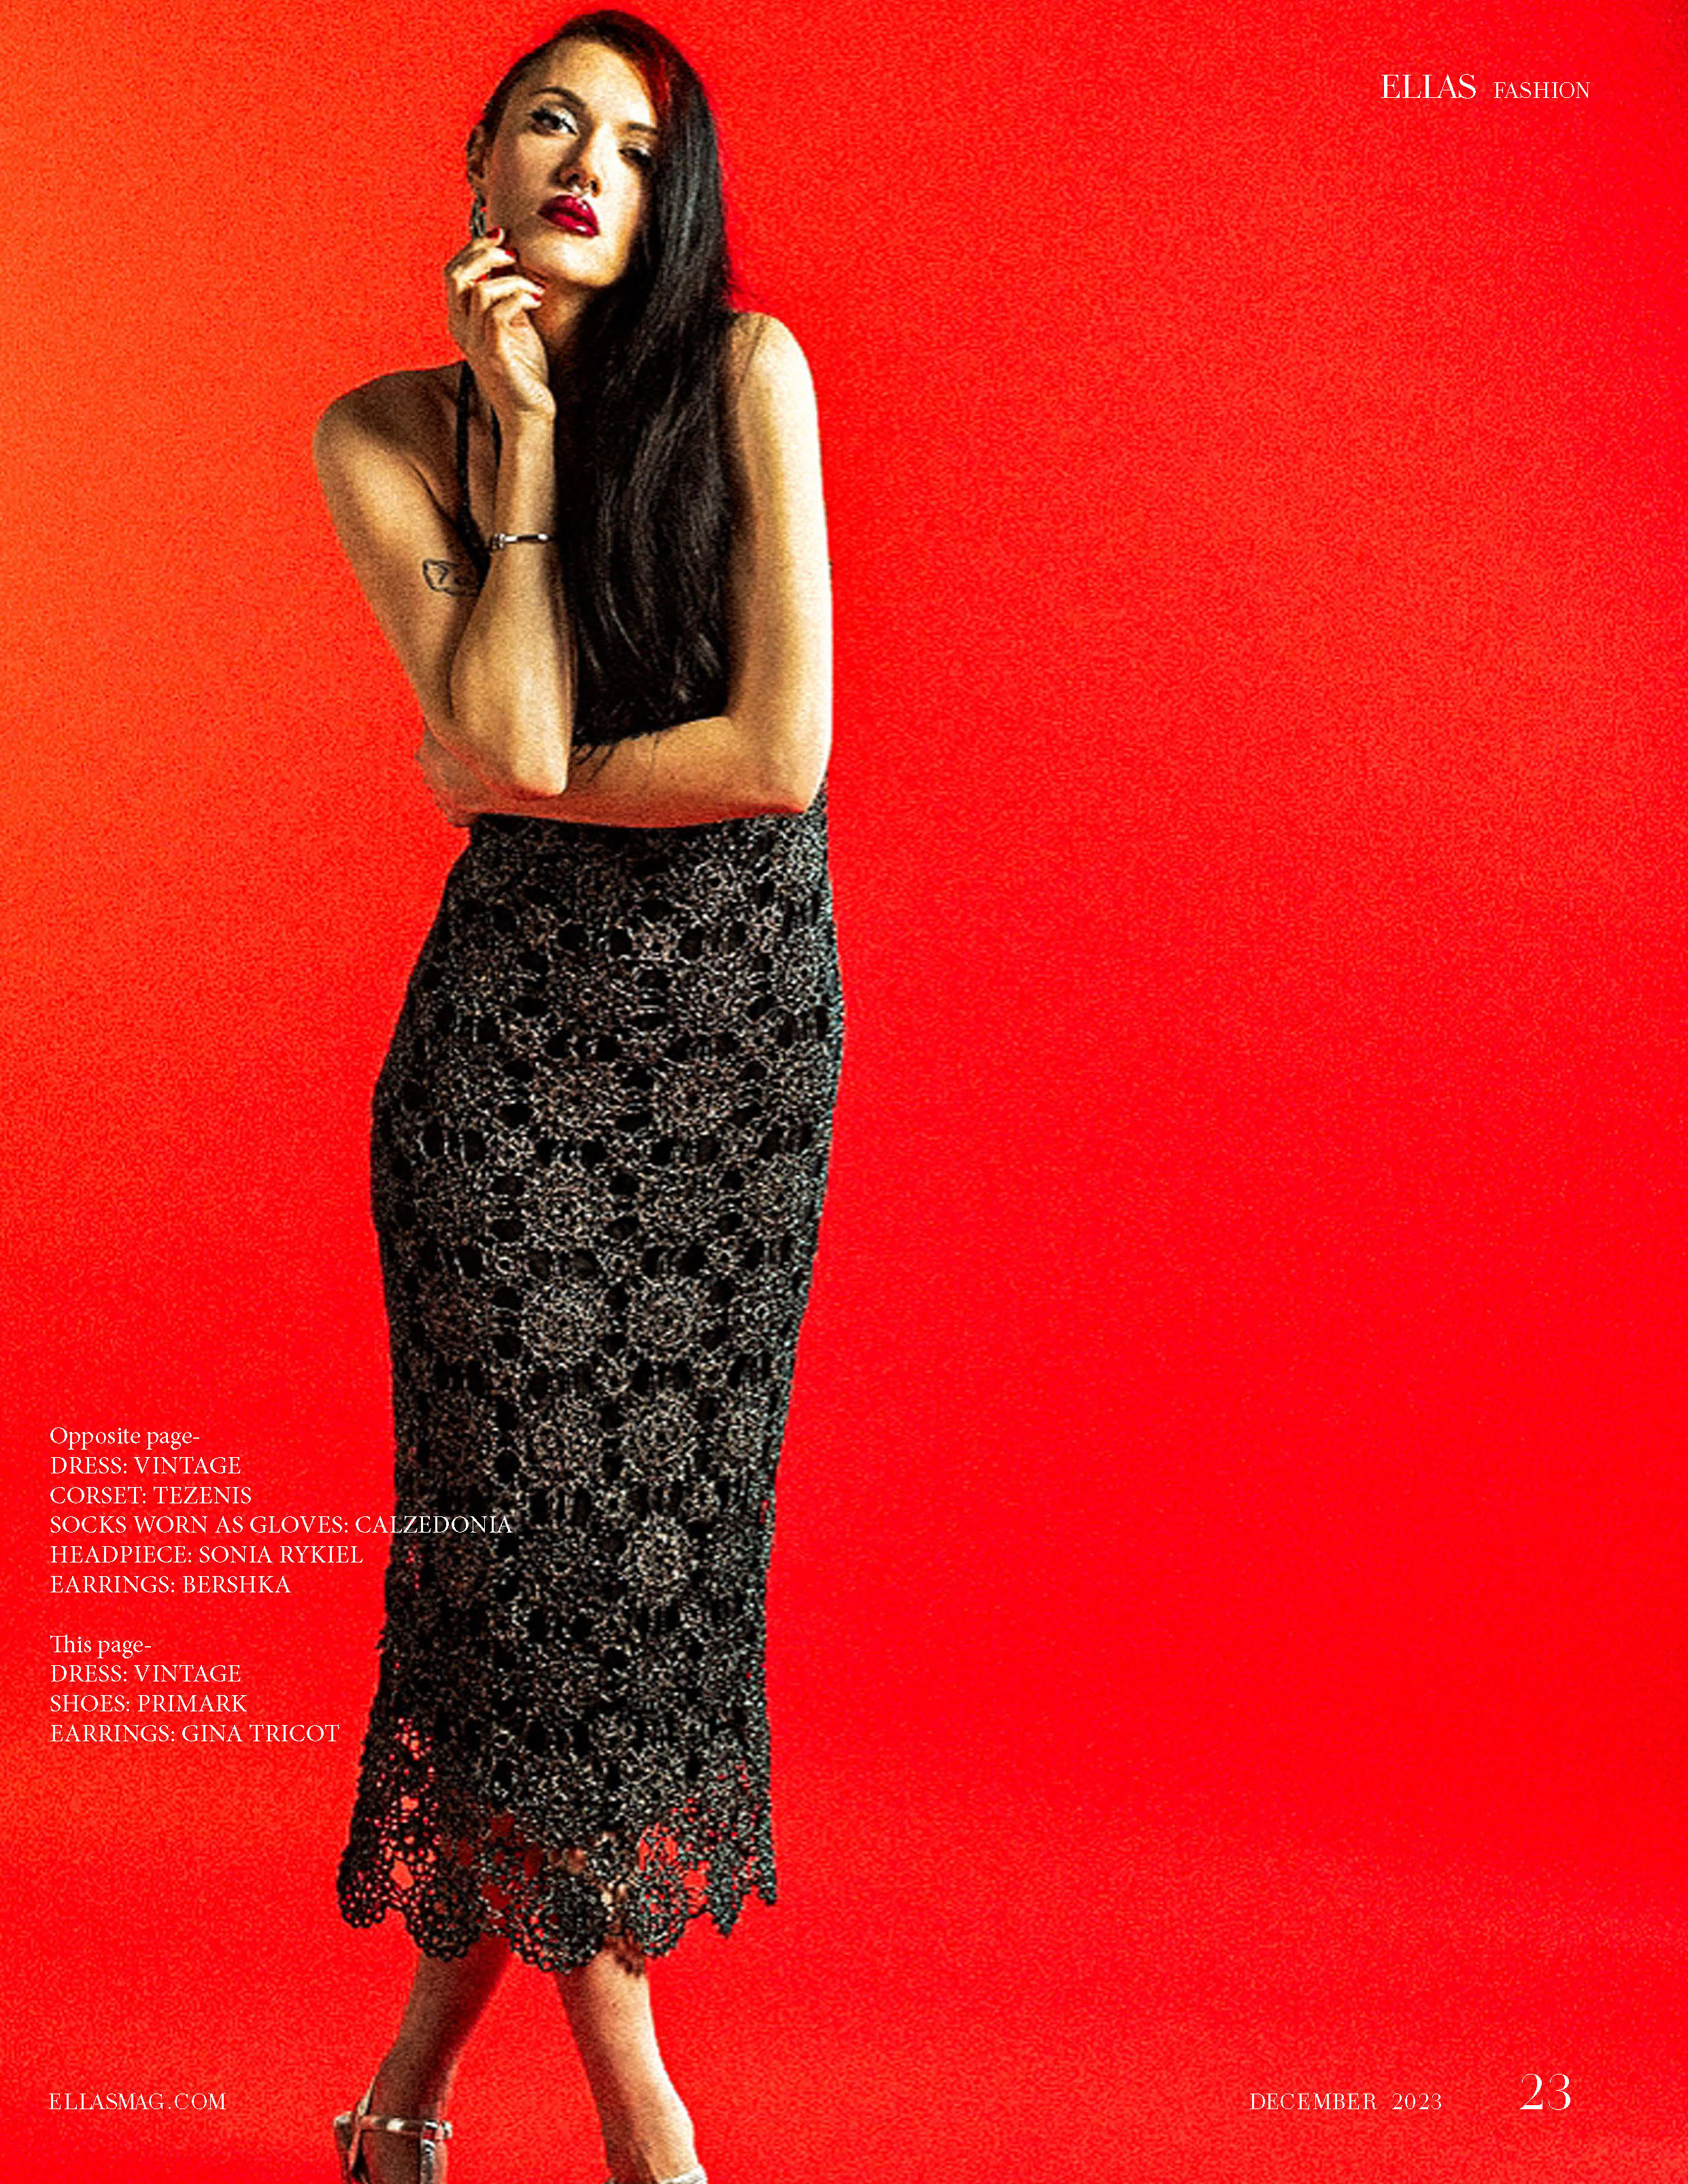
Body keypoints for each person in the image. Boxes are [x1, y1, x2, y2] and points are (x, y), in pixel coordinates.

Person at [311, 14, 842, 2183]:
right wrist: (520, 437)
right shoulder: (387, 432)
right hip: (504, 1070)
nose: (586, 162)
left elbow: (774, 758)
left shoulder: (749, 375)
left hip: (731, 1059)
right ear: (482, 155)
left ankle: (400, 2107)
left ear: (670, 196)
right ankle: (645, 2112)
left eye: (635, 143)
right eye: (552, 117)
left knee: (632, 1574)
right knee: (526, 1564)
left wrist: (524, 783)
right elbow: (512, 734)